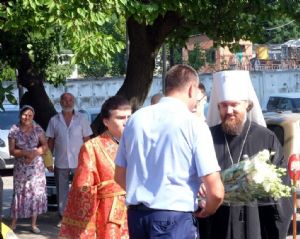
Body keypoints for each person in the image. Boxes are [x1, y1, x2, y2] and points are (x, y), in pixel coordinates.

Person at [115, 64, 224, 239]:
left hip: (137, 217)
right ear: (191, 89)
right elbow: (216, 191)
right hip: (174, 217)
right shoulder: (194, 124)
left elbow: (119, 175)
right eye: (198, 94)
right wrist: (208, 209)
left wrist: (147, 192)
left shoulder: (136, 119)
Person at [198, 70, 293, 239]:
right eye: (224, 105)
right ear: (218, 106)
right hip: (217, 225)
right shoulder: (206, 137)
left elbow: (281, 191)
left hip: (255, 224)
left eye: (234, 104)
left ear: (247, 105)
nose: (229, 111)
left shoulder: (266, 138)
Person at [59, 95, 132, 239]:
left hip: (138, 212)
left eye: (129, 117)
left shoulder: (141, 144)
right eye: (120, 118)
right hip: (107, 214)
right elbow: (82, 188)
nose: (126, 122)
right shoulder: (91, 147)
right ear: (106, 122)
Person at [46, 92, 93, 226]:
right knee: (62, 191)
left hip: (80, 161)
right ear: (60, 102)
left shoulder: (82, 118)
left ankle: (80, 215)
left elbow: (87, 140)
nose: (68, 102)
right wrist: (48, 161)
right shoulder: (54, 120)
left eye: (70, 99)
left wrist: (89, 160)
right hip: (61, 161)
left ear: (74, 102)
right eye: (65, 100)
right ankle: (63, 217)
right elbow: (51, 141)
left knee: (81, 189)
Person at [8, 105, 48, 233]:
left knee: (35, 194)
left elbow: (45, 145)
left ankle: (33, 224)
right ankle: (13, 224)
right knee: (19, 193)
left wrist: (34, 153)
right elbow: (11, 151)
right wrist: (25, 153)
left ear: (33, 116)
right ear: (20, 115)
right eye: (25, 114)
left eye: (30, 115)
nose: (27, 117)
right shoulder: (14, 130)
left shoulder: (37, 129)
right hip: (21, 168)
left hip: (36, 168)